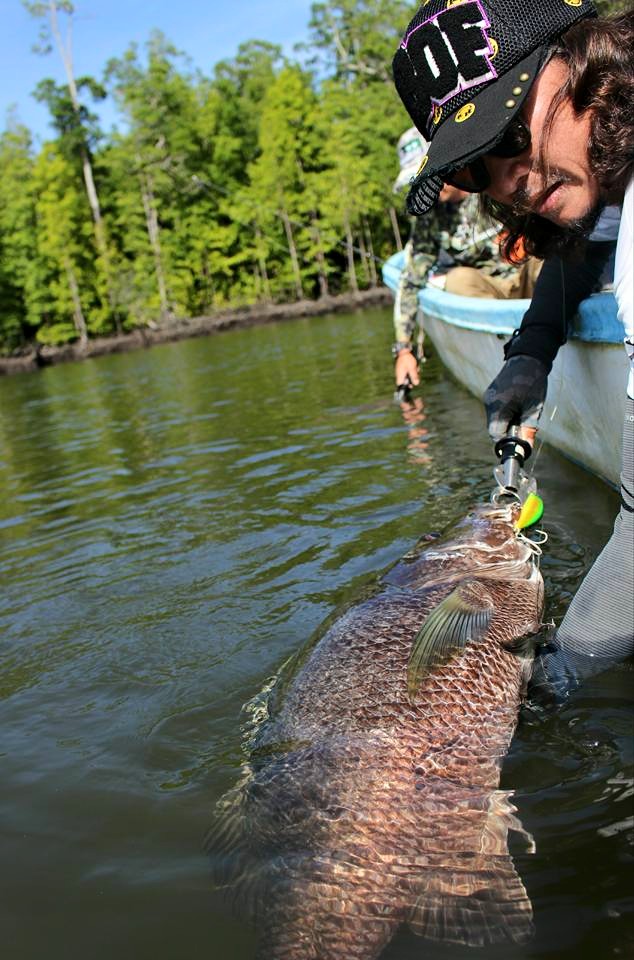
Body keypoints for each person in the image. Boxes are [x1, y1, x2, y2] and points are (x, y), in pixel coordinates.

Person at [392, 0, 633, 696]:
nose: (506, 180)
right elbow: (580, 249)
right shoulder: (602, 158)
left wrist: (551, 677)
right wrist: (532, 350)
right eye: (473, 170)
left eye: (508, 128)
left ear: (581, 58)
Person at [392, 128, 539, 389]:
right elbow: (411, 280)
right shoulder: (431, 217)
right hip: (490, 295)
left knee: (543, 254)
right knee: (457, 279)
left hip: (530, 278)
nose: (431, 187)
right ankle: (505, 350)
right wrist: (404, 349)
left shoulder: (491, 178)